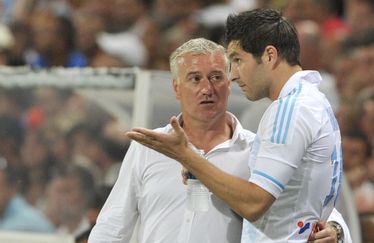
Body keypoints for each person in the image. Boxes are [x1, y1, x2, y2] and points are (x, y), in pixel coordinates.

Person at [91, 38, 349, 242]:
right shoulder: (150, 147)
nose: (207, 89)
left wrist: (337, 230)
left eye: (216, 77)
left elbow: (308, 204)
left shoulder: (256, 149)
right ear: (176, 87)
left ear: (229, 83)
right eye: (195, 79)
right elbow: (113, 225)